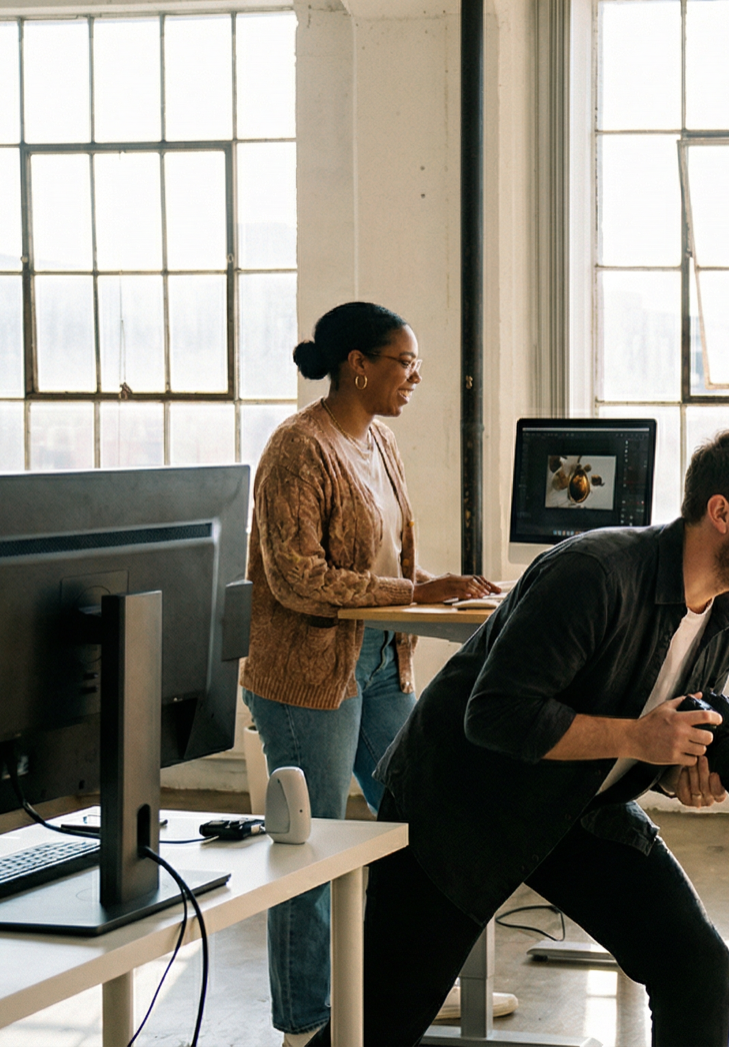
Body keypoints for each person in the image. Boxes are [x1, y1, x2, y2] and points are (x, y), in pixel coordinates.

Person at [309, 427, 729, 1047]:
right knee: (377, 1024)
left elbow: (648, 732)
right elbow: (493, 714)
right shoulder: (594, 573)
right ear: (721, 513)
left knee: (695, 966)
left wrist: (678, 770)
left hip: (576, 809)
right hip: (464, 804)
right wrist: (641, 738)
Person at [241, 301, 499, 1047]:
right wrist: (411, 594)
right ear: (359, 364)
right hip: (308, 673)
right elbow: (295, 577)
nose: (415, 377)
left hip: (382, 659)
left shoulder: (379, 442)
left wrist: (428, 590)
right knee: (310, 851)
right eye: (405, 362)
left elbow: (386, 561)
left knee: (423, 818)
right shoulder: (298, 447)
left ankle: (398, 984)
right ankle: (307, 1022)